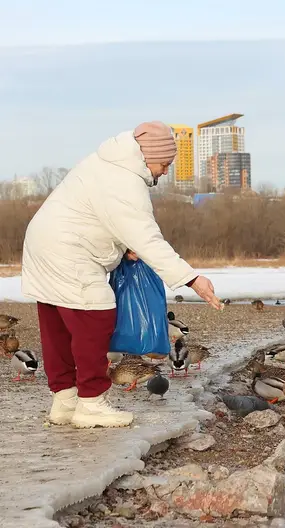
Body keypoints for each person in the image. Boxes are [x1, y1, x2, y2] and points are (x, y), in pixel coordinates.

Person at [21, 121, 222, 428]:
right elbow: (148, 239)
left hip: (43, 244)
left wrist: (122, 243)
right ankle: (91, 403)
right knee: (96, 318)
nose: (166, 170)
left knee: (56, 325)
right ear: (148, 156)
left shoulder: (104, 162)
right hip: (68, 251)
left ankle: (65, 401)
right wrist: (192, 278)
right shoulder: (126, 181)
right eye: (165, 163)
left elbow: (101, 216)